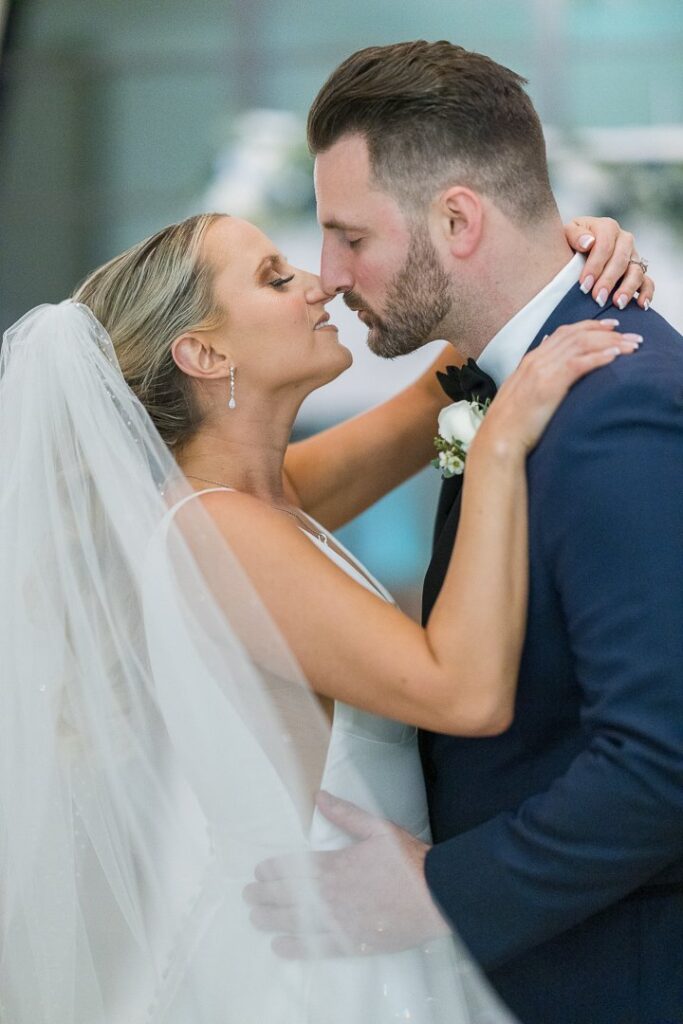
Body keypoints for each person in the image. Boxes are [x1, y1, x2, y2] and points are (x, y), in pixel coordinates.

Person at [0, 208, 644, 1024]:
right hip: (310, 977)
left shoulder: (265, 499)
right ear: (203, 354)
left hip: (364, 937)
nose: (318, 283)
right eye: (275, 278)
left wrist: (564, 253)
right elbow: (463, 693)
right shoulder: (211, 532)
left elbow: (439, 388)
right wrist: (500, 448)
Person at [246, 40, 683, 1024]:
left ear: (456, 218)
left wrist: (441, 891)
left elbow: (663, 760)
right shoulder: (499, 382)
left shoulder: (614, 407)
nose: (327, 275)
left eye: (348, 236)